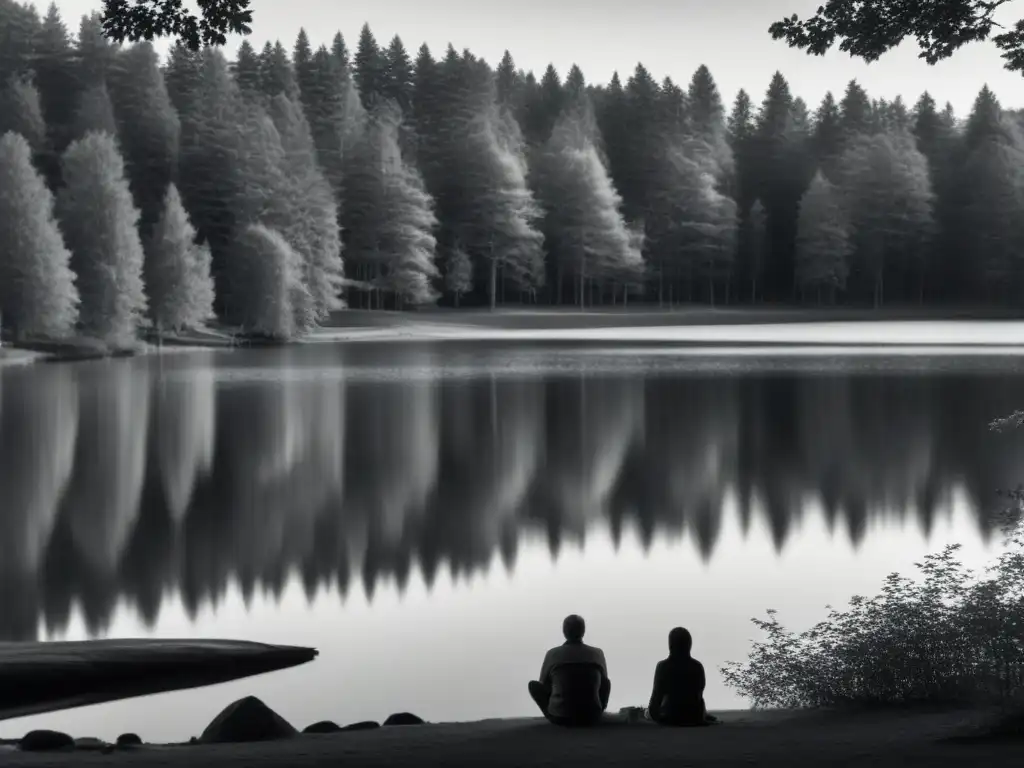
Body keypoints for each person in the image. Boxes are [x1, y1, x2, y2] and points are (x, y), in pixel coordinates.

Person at [528, 615, 611, 726]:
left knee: (533, 685)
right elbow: (604, 684)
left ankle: (559, 709)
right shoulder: (597, 653)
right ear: (583, 631)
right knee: (606, 681)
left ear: (564, 631)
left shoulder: (553, 653)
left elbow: (543, 683)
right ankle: (598, 710)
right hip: (592, 716)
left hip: (561, 718)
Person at [646, 627, 714, 726]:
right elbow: (698, 694)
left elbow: (656, 697)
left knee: (646, 713)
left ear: (670, 644)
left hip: (670, 717)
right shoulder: (697, 666)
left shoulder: (663, 666)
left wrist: (654, 715)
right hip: (695, 717)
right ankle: (704, 715)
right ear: (689, 644)